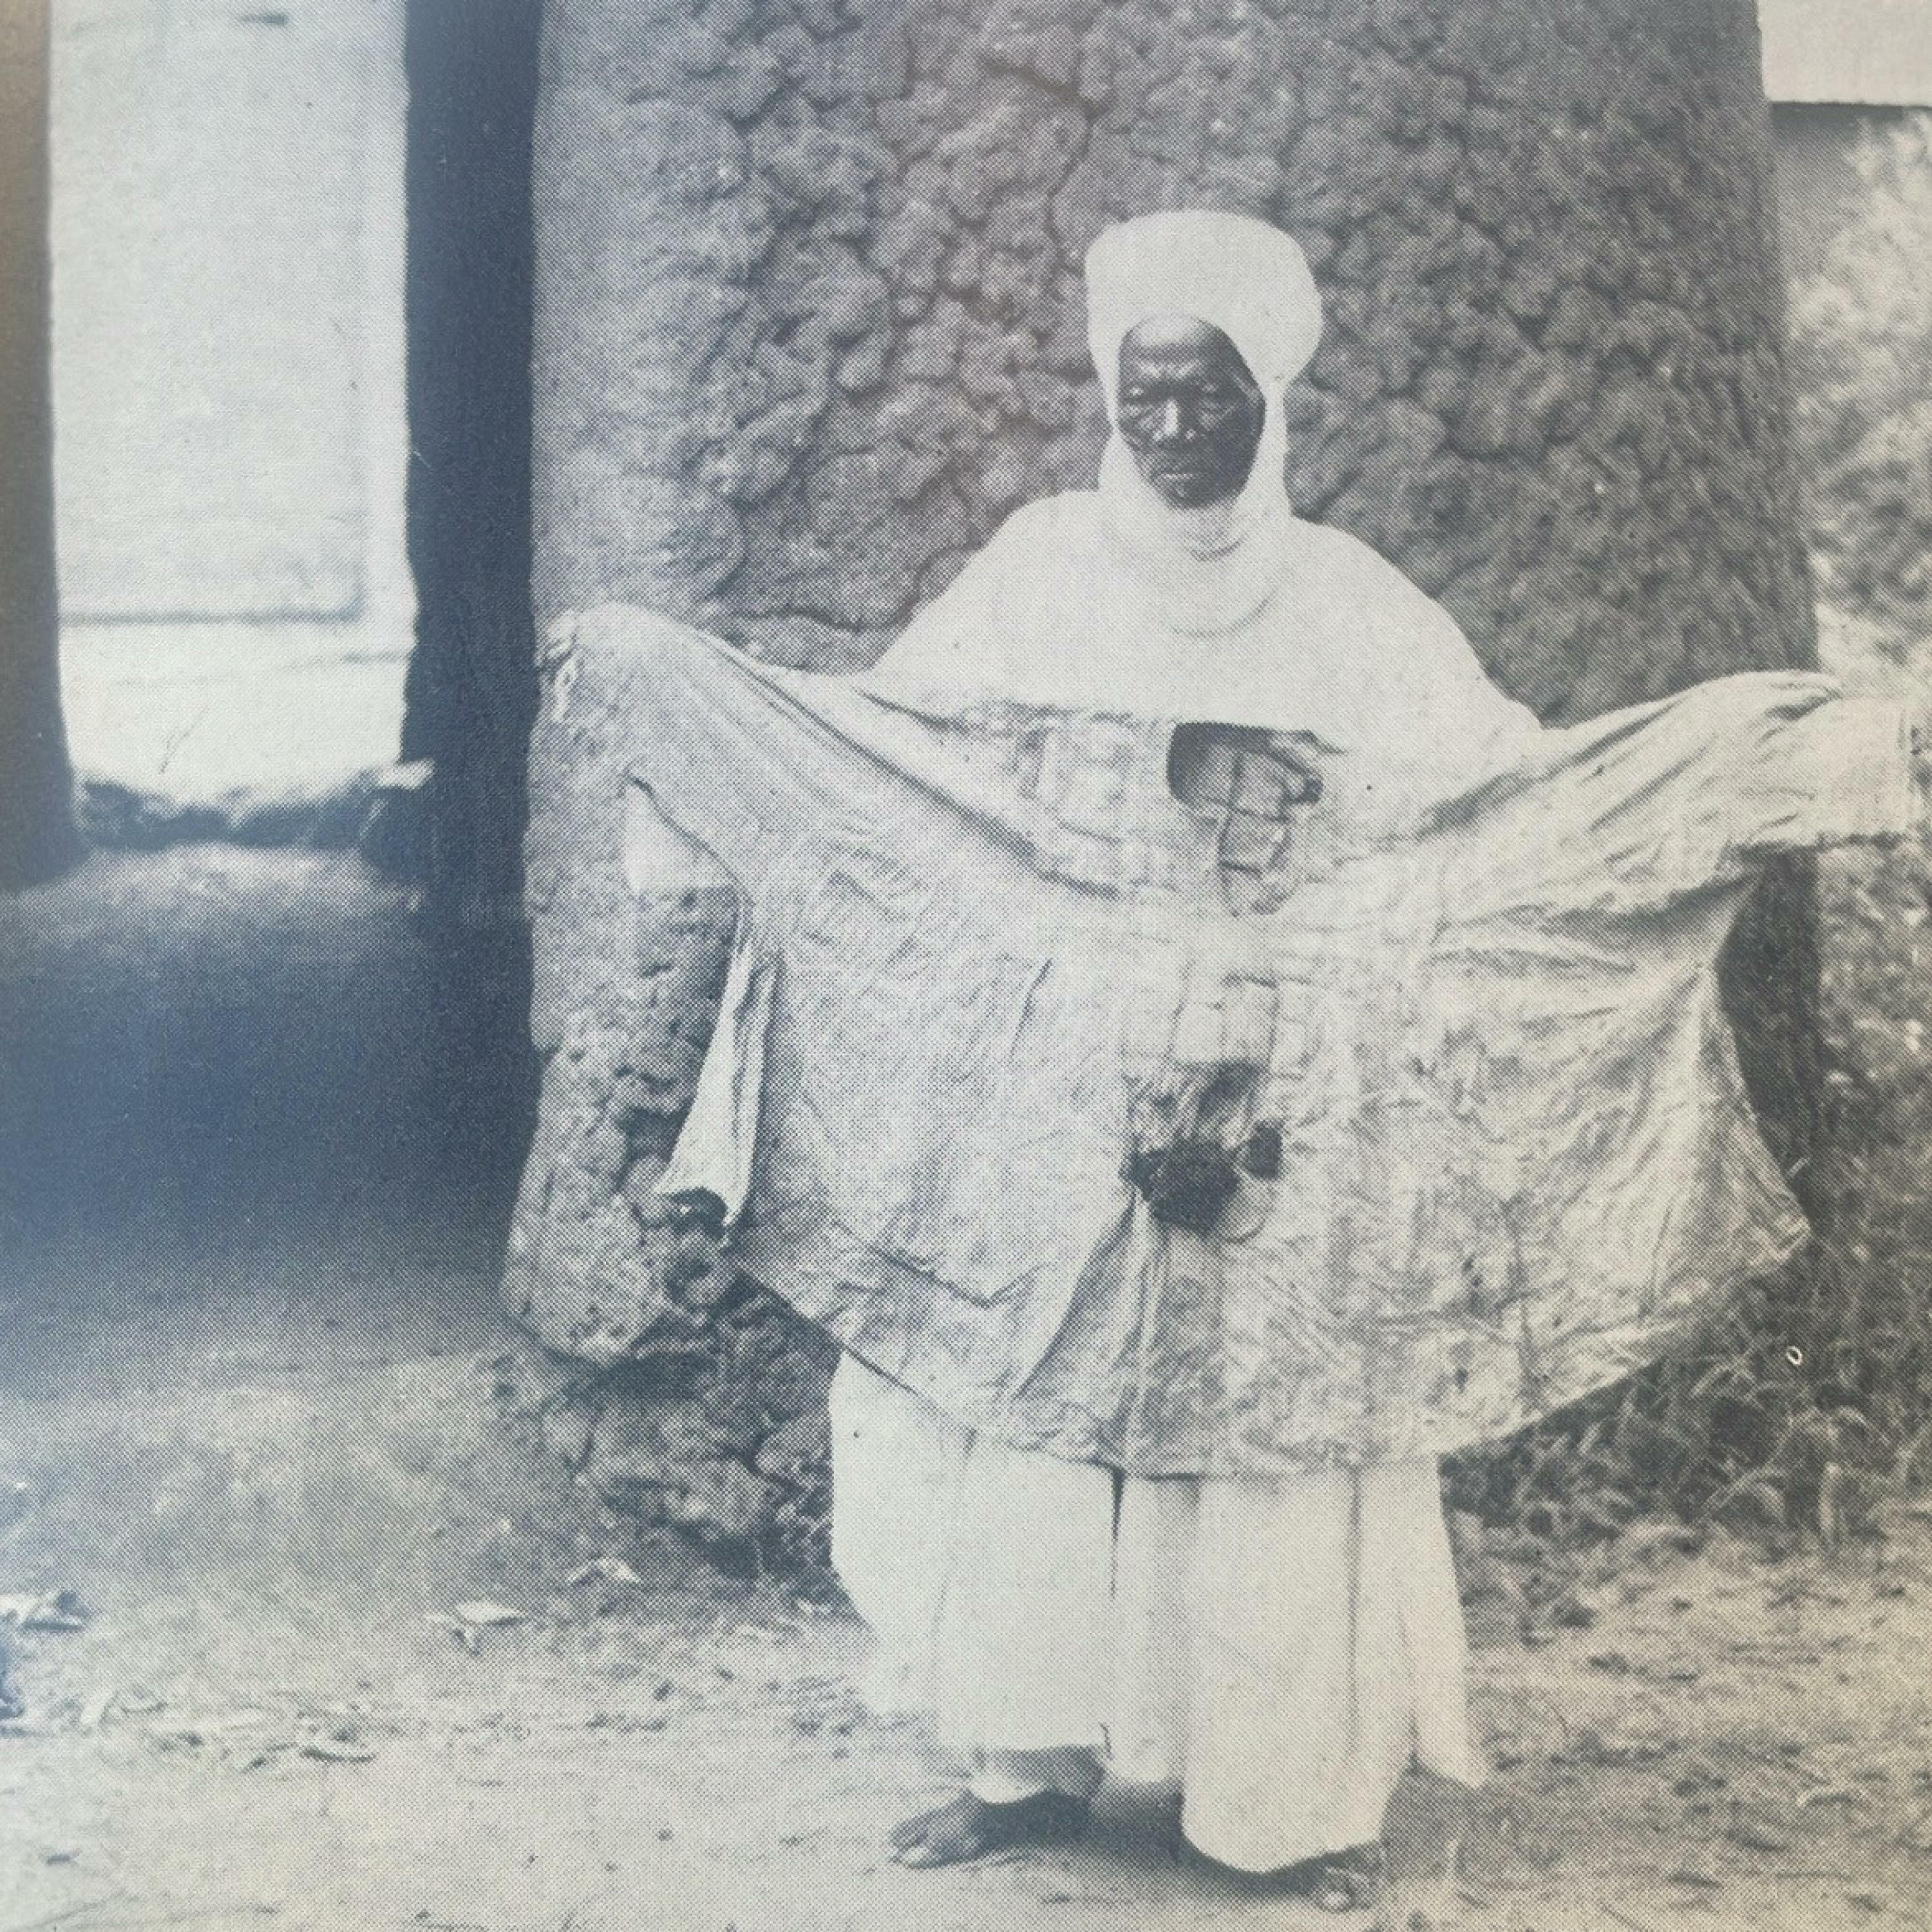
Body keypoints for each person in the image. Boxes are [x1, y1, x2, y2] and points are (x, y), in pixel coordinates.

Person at [587, 208, 1923, 1927]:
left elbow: (1501, 806)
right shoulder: (1036, 574)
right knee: (1024, 1419)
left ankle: (1277, 1802)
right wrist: (676, 703)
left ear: (1267, 400)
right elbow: (898, 775)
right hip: (1066, 1103)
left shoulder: (1353, 607)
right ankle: (1021, 1768)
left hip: (1293, 1109)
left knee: (1287, 1443)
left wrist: (1767, 765)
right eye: (1140, 393)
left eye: (1205, 393)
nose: (1170, 427)